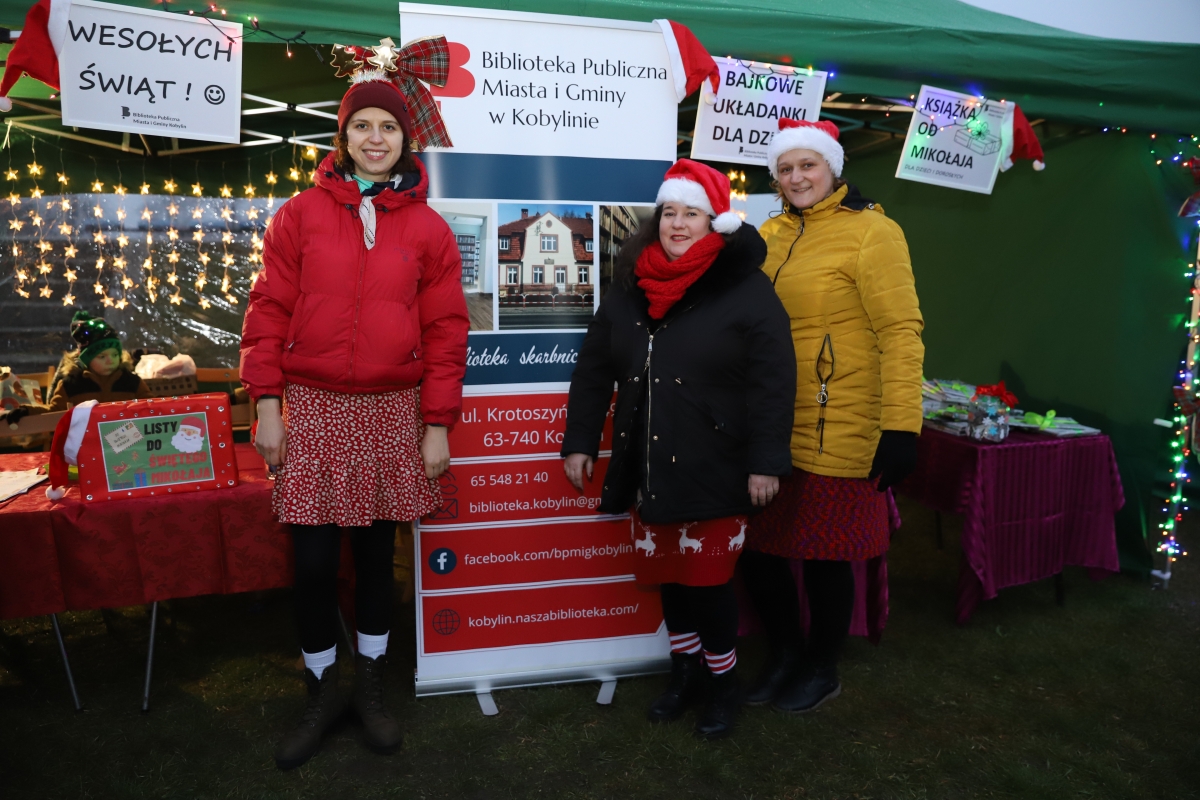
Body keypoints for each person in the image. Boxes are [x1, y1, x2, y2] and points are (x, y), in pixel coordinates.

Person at [240, 71, 469, 770]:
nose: (376, 138)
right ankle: (320, 689)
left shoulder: (430, 229)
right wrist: (267, 404)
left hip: (392, 410)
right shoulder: (298, 215)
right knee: (313, 565)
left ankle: (369, 685)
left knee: (374, 560)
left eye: (389, 127)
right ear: (343, 136)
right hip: (310, 407)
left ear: (405, 140)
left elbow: (446, 332)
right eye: (363, 125)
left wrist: (437, 424)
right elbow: (268, 311)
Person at [562, 160, 796, 740]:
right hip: (650, 462)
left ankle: (723, 684)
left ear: (714, 223)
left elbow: (774, 380)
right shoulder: (631, 285)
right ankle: (685, 673)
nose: (678, 223)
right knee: (669, 575)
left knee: (708, 582)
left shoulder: (744, 286)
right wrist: (580, 441)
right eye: (670, 212)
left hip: (717, 464)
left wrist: (767, 462)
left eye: (692, 213)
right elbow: (593, 369)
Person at [740, 118, 925, 714]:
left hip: (840, 420)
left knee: (825, 556)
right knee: (761, 550)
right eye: (785, 169)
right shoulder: (767, 234)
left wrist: (901, 424)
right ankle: (785, 654)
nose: (796, 178)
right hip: (772, 421)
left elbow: (901, 332)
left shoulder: (874, 232)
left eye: (808, 165)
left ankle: (821, 668)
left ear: (833, 168)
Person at [45, 313, 149, 410]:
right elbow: (54, 412)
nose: (110, 361)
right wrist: (34, 410)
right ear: (87, 360)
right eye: (102, 357)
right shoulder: (71, 385)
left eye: (115, 355)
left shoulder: (132, 382)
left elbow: (151, 405)